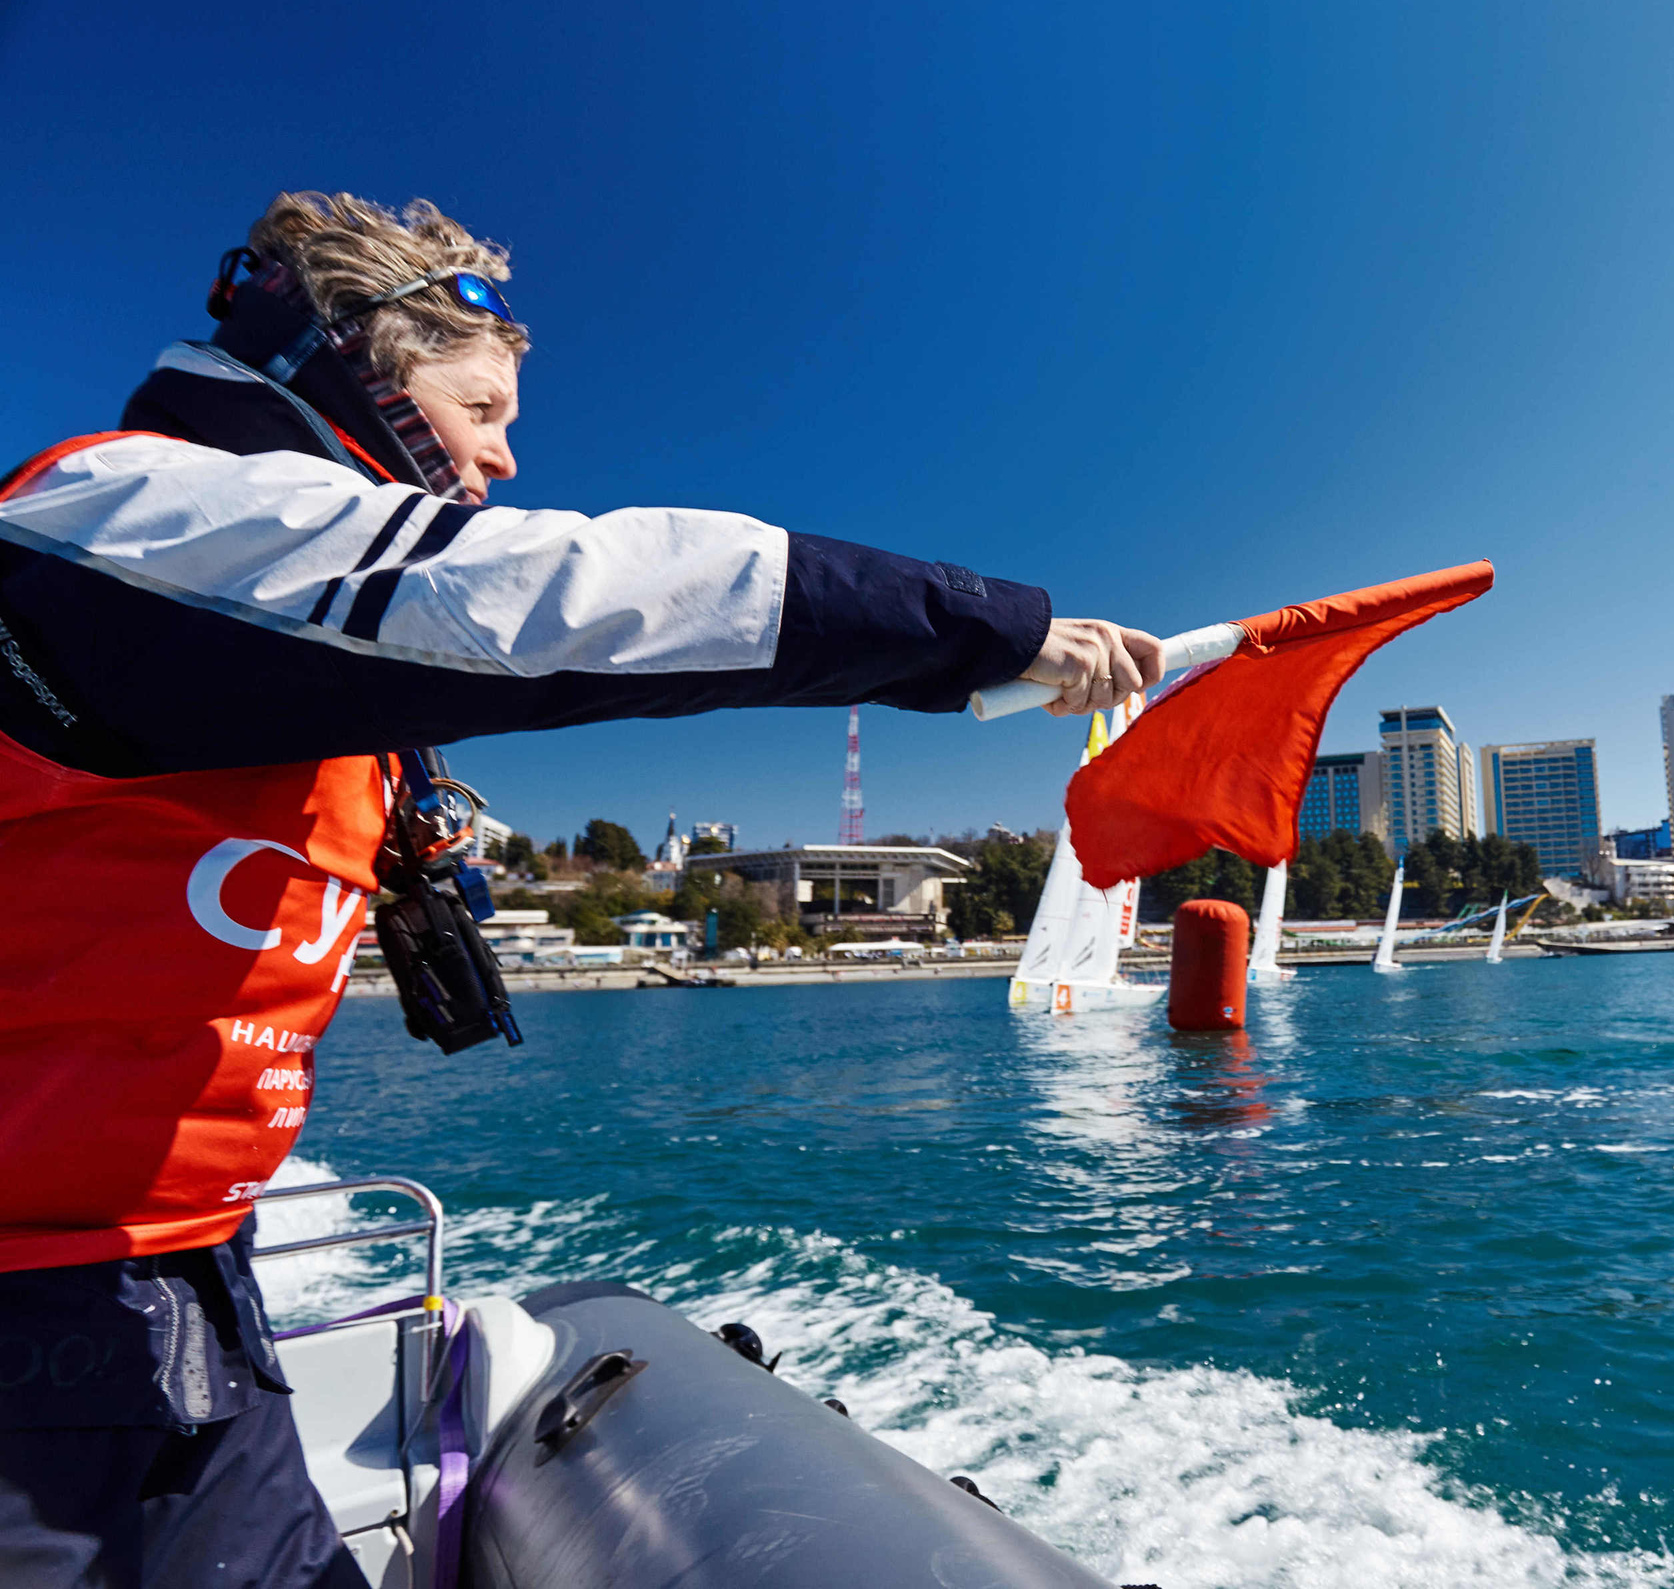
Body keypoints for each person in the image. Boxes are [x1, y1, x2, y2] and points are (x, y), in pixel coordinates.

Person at [0, 194, 1164, 1588]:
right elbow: (548, 602)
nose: (503, 449)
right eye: (480, 403)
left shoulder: (274, 645)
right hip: (49, 1309)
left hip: (178, 1278)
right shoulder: (112, 516)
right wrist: (994, 636)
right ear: (354, 363)